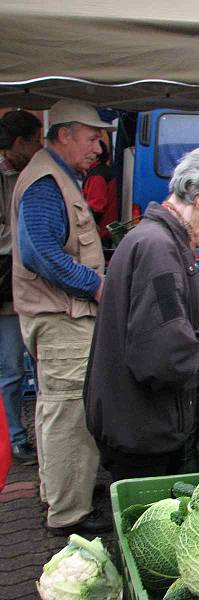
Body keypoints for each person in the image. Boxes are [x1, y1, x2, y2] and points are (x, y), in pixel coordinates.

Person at [84, 147, 199, 483]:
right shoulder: (160, 250)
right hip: (141, 428)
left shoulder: (152, 239)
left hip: (129, 417)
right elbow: (164, 359)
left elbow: (151, 333)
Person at [9, 99, 114, 535]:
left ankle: (63, 492)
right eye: (92, 138)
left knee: (60, 408)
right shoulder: (46, 181)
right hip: (60, 317)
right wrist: (97, 286)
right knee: (67, 412)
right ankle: (69, 514)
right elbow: (41, 254)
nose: (98, 149)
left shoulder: (58, 176)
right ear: (65, 134)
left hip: (61, 314)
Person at [0, 109, 42, 466]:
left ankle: (42, 436)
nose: (39, 146)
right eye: (35, 140)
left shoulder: (35, 174)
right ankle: (16, 438)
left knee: (41, 366)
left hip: (34, 288)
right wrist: (31, 237)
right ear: (19, 143)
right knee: (11, 368)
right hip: (6, 293)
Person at [81, 139, 118, 247]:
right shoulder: (102, 172)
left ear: (96, 155)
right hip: (108, 229)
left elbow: (96, 207)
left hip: (102, 232)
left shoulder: (97, 176)